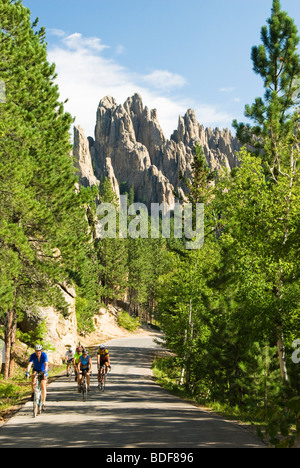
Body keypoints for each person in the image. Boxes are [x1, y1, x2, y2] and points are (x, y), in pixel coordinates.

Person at [26, 344, 49, 411]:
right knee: (33, 379)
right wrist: (27, 372)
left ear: (41, 351)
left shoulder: (44, 355)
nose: (37, 353)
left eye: (39, 351)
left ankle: (43, 403)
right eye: (36, 351)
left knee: (43, 385)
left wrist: (45, 372)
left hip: (43, 370)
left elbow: (46, 364)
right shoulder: (33, 355)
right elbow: (30, 364)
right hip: (36, 369)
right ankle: (33, 393)